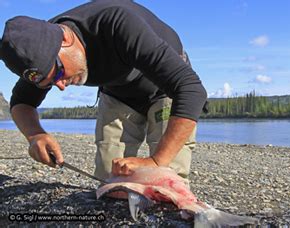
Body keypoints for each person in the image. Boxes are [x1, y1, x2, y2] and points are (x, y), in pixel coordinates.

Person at [0, 0, 207, 180]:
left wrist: (156, 160)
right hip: (118, 92)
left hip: (166, 90)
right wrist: (35, 135)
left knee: (167, 176)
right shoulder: (36, 54)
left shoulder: (118, 23)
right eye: (50, 83)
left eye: (59, 73)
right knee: (110, 179)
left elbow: (190, 90)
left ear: (65, 39)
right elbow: (21, 102)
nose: (61, 85)